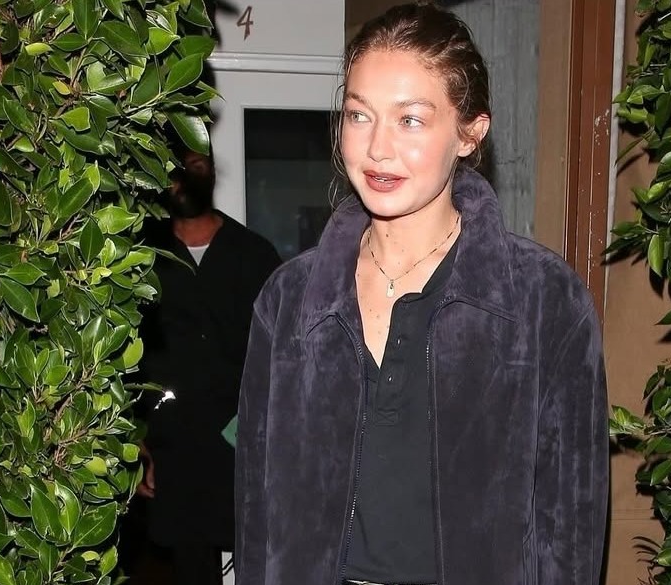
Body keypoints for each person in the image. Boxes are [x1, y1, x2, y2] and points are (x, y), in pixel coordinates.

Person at [233, 2, 608, 584]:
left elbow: (571, 533)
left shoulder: (544, 300)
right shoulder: (288, 300)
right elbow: (256, 511)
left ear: (469, 133)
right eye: (359, 115)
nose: (377, 148)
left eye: (410, 120)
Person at [134, 145, 281, 585]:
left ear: (212, 169)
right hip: (170, 452)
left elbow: (284, 359)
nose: (184, 175)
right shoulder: (139, 257)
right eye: (174, 166)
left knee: (264, 564)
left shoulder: (254, 255)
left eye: (195, 164)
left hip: (244, 449)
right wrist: (136, 444)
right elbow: (120, 362)